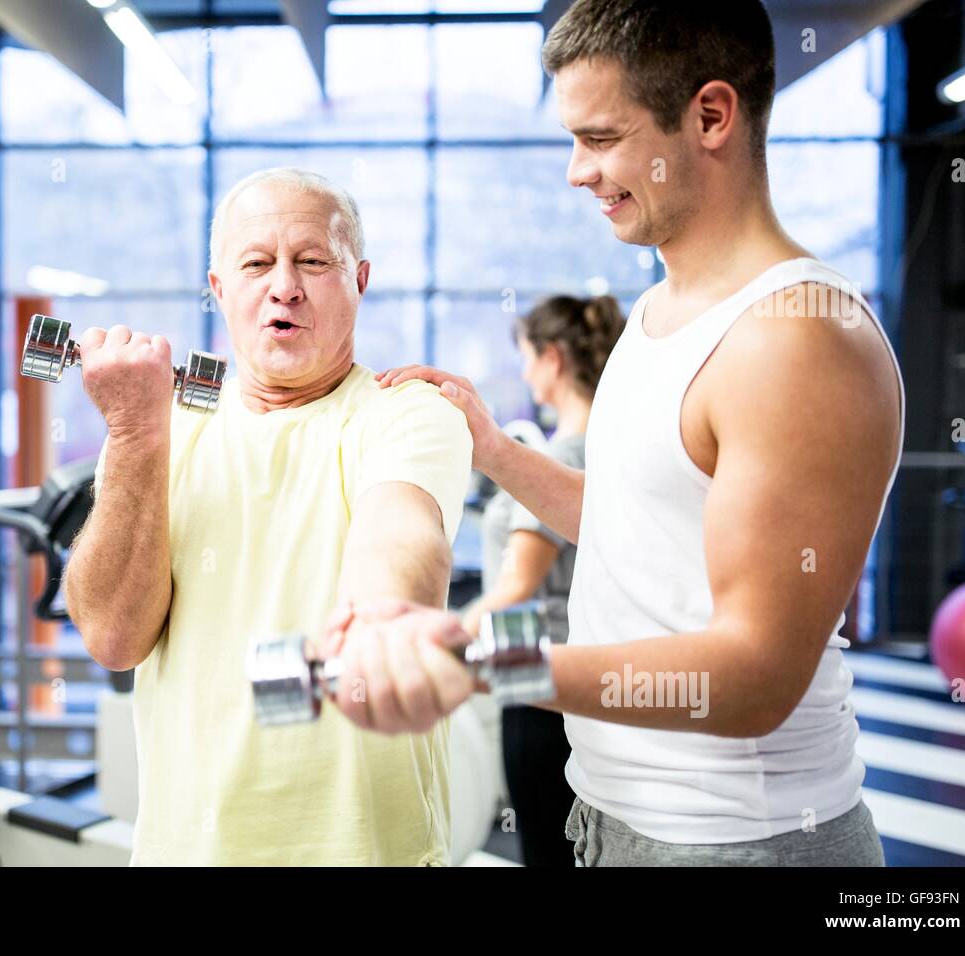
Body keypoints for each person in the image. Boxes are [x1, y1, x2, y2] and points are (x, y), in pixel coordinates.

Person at [323, 0, 905, 867]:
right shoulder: (658, 310)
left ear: (710, 116)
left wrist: (488, 659)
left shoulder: (798, 339)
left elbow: (756, 676)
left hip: (739, 843)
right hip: (610, 818)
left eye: (600, 138)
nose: (575, 171)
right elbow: (643, 531)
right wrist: (493, 448)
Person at [64, 168, 472, 865]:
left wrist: (379, 619)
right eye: (257, 264)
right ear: (220, 289)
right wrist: (133, 432)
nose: (284, 285)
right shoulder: (156, 428)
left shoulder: (405, 412)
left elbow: (400, 535)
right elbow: (113, 638)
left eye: (314, 261)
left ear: (360, 279)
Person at [463, 295, 623, 866]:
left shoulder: (564, 455)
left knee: (545, 852)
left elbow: (515, 587)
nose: (525, 371)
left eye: (528, 356)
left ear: (553, 359)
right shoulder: (603, 450)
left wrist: (438, 644)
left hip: (540, 688)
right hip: (564, 684)